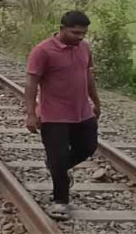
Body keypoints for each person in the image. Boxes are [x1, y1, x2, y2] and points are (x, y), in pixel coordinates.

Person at [25, 11, 100, 218]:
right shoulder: (42, 51)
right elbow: (31, 83)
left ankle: (57, 166)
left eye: (83, 33)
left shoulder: (84, 47)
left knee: (88, 147)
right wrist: (31, 113)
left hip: (82, 112)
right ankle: (61, 201)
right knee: (58, 158)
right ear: (62, 28)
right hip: (53, 115)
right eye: (75, 33)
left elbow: (88, 75)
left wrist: (96, 101)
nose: (80, 37)